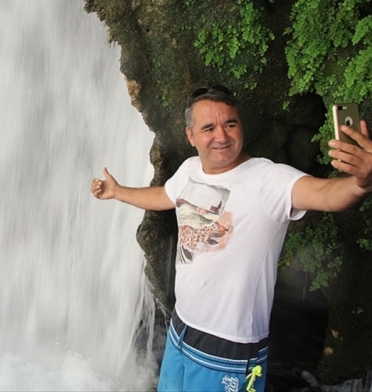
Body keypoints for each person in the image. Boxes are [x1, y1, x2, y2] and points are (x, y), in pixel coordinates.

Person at [90, 86, 372, 391]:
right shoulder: (189, 170)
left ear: (242, 126)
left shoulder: (269, 180)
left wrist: (360, 184)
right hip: (181, 328)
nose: (221, 136)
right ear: (191, 136)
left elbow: (327, 195)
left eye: (230, 124)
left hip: (230, 350)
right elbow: (163, 196)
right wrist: (117, 192)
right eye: (209, 128)